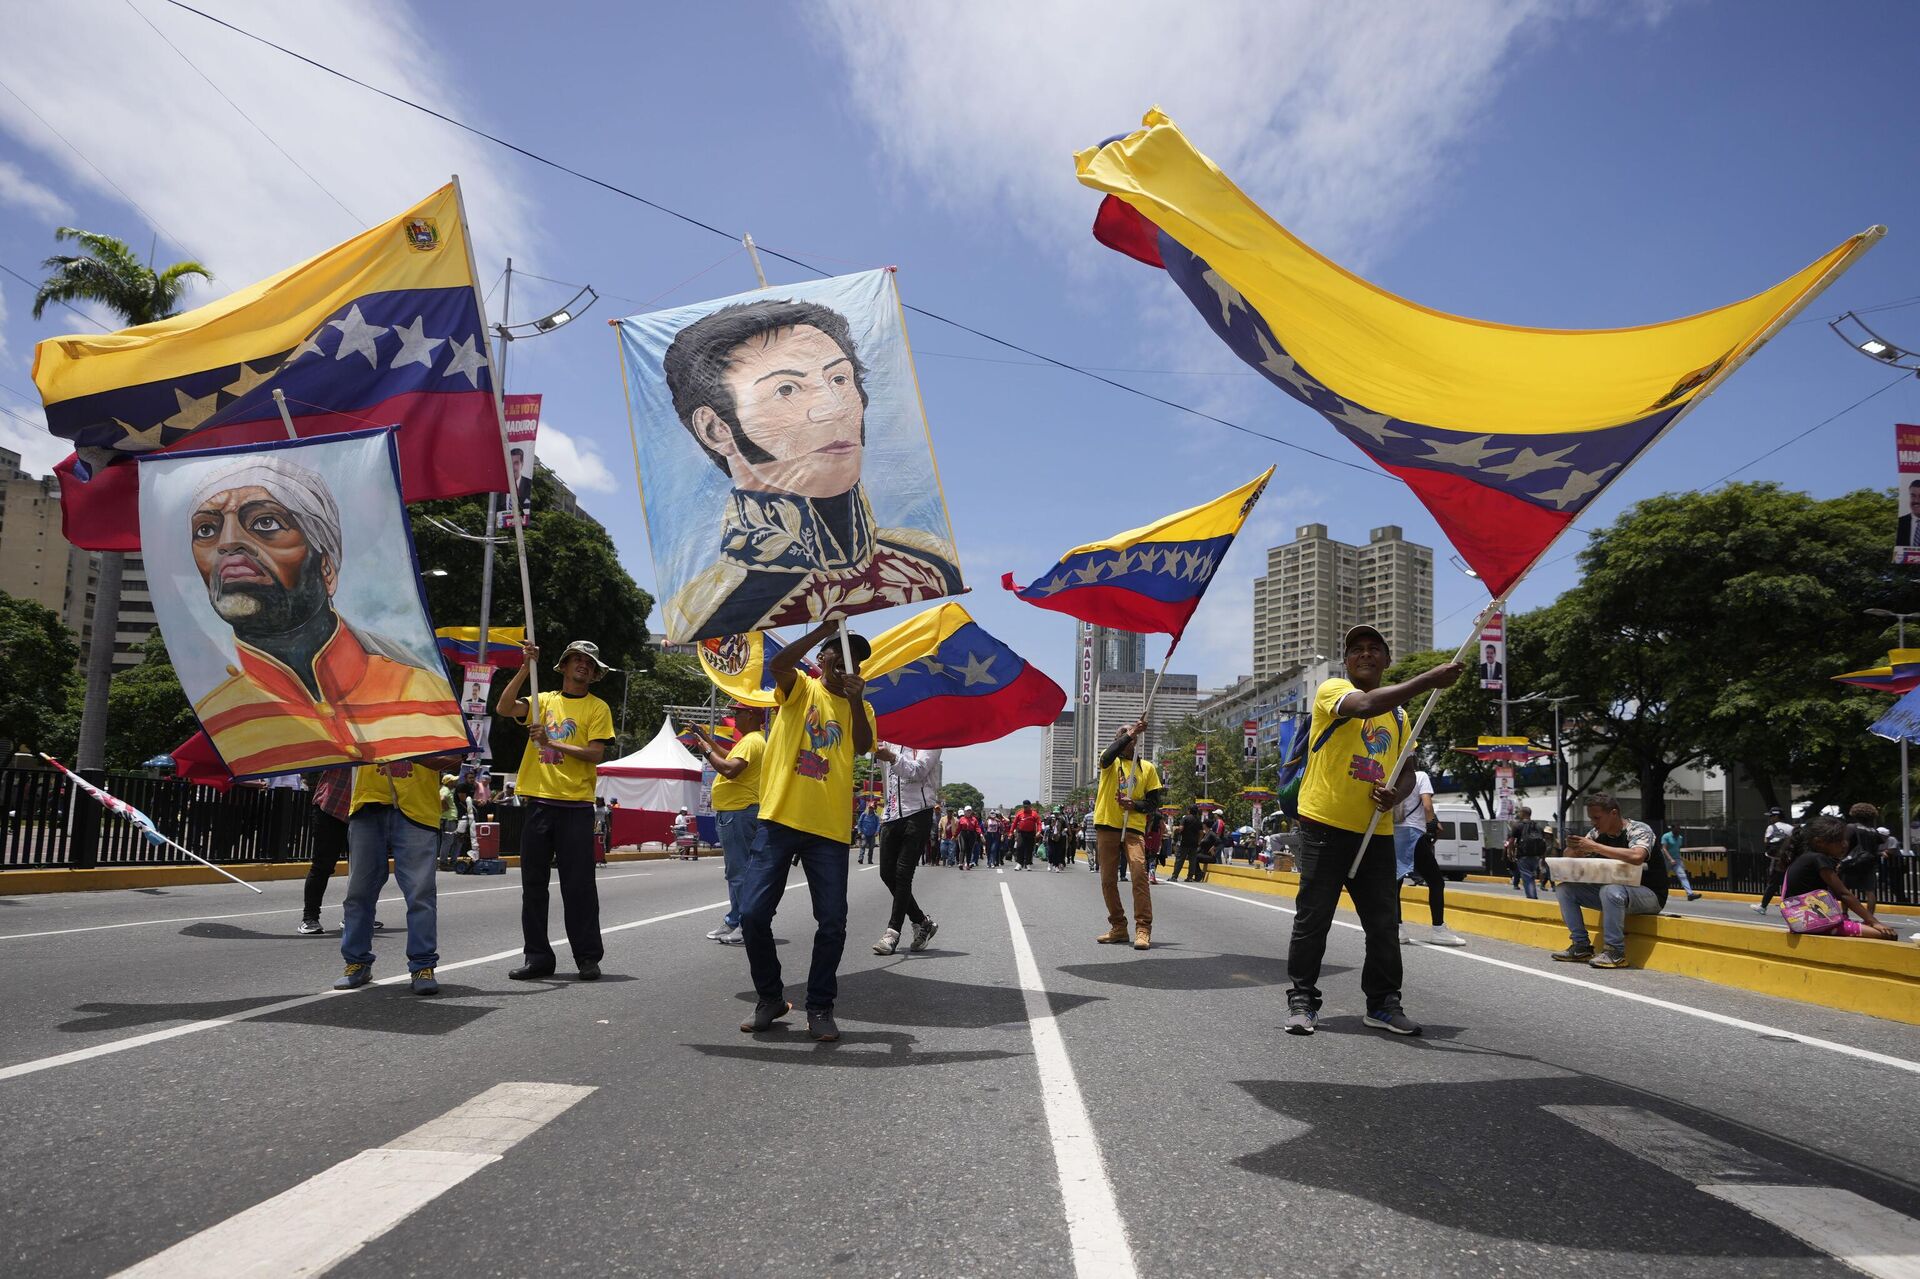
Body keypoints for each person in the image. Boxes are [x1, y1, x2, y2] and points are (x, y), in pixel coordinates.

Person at [658, 300, 964, 639]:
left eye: (839, 379)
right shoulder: (706, 612)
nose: (833, 409)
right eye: (786, 389)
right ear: (715, 428)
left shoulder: (933, 563)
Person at [186, 455, 465, 776]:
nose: (228, 542)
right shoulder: (218, 716)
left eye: (266, 523)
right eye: (206, 529)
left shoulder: (419, 689)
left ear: (326, 567)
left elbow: (452, 763)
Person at [1285, 624, 1463, 1037]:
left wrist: (1394, 794)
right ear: (1347, 662)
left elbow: (1407, 772)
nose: (1364, 655)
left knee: (1383, 923)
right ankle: (1303, 999)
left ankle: (1383, 1004)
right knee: (1314, 919)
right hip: (1323, 826)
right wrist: (1429, 680)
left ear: (1386, 659)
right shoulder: (1332, 690)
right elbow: (1364, 706)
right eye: (1356, 650)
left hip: (1375, 833)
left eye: (1373, 649)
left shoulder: (1401, 717)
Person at [736, 621, 876, 1043]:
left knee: (832, 922)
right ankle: (770, 999)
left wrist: (855, 702)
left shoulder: (862, 706)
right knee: (752, 915)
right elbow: (778, 663)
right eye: (841, 652)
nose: (848, 662)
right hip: (779, 819)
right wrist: (823, 630)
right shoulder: (801, 687)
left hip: (829, 830)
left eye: (857, 657)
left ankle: (820, 1006)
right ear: (823, 659)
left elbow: (864, 745)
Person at [497, 639, 616, 982]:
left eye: (588, 663)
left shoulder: (598, 708)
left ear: (594, 674)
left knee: (578, 886)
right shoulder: (543, 699)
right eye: (576, 659)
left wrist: (550, 742)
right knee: (533, 886)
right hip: (538, 802)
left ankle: (587, 957)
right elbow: (505, 708)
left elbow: (595, 753)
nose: (582, 665)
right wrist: (524, 667)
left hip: (576, 806)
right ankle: (537, 957)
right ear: (563, 666)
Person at [333, 753, 466, 995]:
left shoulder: (436, 716)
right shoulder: (361, 715)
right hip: (367, 806)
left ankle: (422, 967)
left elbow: (454, 761)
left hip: (418, 812)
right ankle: (356, 963)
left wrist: (405, 751)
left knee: (420, 894)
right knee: (358, 894)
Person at [1550, 792, 1666, 969]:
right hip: (1614, 894)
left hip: (1648, 895)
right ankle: (1581, 946)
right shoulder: (1596, 833)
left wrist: (1595, 847)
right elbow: (1569, 856)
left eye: (1597, 817)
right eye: (1591, 818)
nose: (1593, 822)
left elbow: (1637, 856)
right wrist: (1575, 849)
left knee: (1610, 890)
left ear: (1613, 813)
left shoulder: (1638, 830)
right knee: (1565, 889)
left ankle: (1615, 952)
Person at [686, 704, 767, 945]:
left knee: (739, 871)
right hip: (736, 812)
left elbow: (729, 769)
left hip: (739, 812)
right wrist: (705, 738)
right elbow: (726, 755)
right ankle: (734, 920)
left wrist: (706, 752)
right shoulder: (750, 741)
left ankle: (744, 924)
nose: (734, 717)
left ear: (751, 715)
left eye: (738, 713)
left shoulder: (752, 741)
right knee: (737, 871)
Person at [1092, 717, 1164, 951]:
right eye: (1123, 735)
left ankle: (1143, 928)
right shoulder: (1109, 762)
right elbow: (1106, 756)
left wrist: (1134, 805)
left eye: (1131, 736)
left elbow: (1153, 803)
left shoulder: (1148, 768)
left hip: (1133, 828)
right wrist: (1131, 731)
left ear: (1136, 744)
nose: (1126, 739)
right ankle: (1118, 926)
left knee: (1139, 873)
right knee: (1108, 880)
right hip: (1107, 825)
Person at [1780, 814, 1900, 939]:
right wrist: (1874, 922)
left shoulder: (1805, 858)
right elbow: (1843, 894)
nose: (1844, 845)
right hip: (1818, 923)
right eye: (1838, 841)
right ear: (1819, 842)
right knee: (1887, 935)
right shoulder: (1818, 858)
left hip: (1802, 922)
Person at [870, 742, 941, 955]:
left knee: (903, 875)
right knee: (886, 874)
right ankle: (921, 921)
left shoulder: (932, 738)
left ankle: (892, 933)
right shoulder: (891, 737)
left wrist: (891, 757)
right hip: (891, 814)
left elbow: (918, 771)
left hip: (918, 812)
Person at [1394, 767, 1466, 946]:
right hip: (1414, 834)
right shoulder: (1420, 776)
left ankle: (1397, 928)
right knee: (1436, 882)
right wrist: (1432, 826)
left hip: (1394, 834)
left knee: (1396, 883)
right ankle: (1438, 929)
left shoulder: (1392, 775)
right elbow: (1427, 806)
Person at [298, 765, 354, 935]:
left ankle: (357, 915)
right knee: (322, 865)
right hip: (330, 809)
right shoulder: (344, 742)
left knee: (361, 869)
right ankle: (310, 918)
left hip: (360, 814)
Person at [1755, 808, 1794, 913]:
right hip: (1788, 860)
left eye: (1771, 816)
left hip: (1775, 859)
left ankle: (1763, 906)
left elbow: (1766, 841)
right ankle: (1789, 906)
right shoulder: (1791, 828)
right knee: (1788, 883)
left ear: (1776, 816)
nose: (1770, 818)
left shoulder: (1771, 827)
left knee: (1772, 883)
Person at [1508, 806, 1548, 901]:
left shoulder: (1518, 826)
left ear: (1523, 813)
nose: (1519, 814)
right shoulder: (1538, 826)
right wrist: (1543, 857)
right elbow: (1543, 842)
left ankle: (1532, 897)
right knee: (1531, 876)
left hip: (1523, 855)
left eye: (1520, 812)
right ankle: (1532, 895)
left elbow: (1511, 841)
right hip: (1536, 856)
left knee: (1527, 877)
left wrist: (1511, 853)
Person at [1659, 824, 1702, 901]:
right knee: (1662, 877)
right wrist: (1670, 859)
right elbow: (1664, 849)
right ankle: (1658, 892)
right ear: (1672, 829)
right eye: (1676, 828)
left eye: (1679, 828)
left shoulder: (1680, 838)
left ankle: (1690, 894)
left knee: (1683, 876)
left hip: (1677, 860)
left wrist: (1679, 859)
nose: (1678, 830)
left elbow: (1677, 849)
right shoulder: (1666, 836)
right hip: (1666, 860)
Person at [1170, 804, 1205, 883]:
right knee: (1192, 861)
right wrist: (1199, 841)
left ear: (1189, 810)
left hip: (1184, 842)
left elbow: (1181, 829)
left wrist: (1176, 830)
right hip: (1194, 844)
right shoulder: (1198, 821)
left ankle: (1174, 876)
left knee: (1180, 860)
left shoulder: (1185, 818)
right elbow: (1201, 833)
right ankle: (1189, 877)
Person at [856, 800, 880, 865]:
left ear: (874, 809)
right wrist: (859, 831)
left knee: (871, 847)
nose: (870, 809)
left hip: (872, 834)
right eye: (869, 808)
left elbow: (878, 824)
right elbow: (859, 823)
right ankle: (860, 858)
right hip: (864, 833)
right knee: (863, 845)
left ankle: (870, 860)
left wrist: (877, 832)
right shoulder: (863, 814)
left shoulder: (876, 816)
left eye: (872, 808)